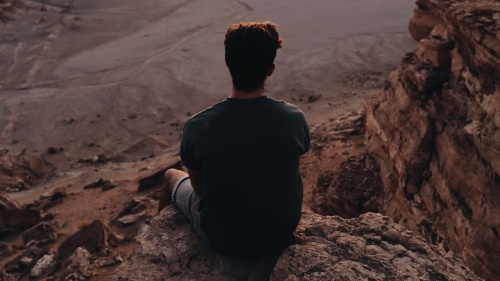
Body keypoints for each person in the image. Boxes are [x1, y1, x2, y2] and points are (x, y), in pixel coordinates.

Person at [158, 21, 310, 258]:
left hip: (226, 240)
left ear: (228, 63)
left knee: (170, 176)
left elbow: (200, 190)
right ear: (271, 69)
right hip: (281, 232)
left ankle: (156, 243)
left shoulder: (198, 126)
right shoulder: (293, 118)